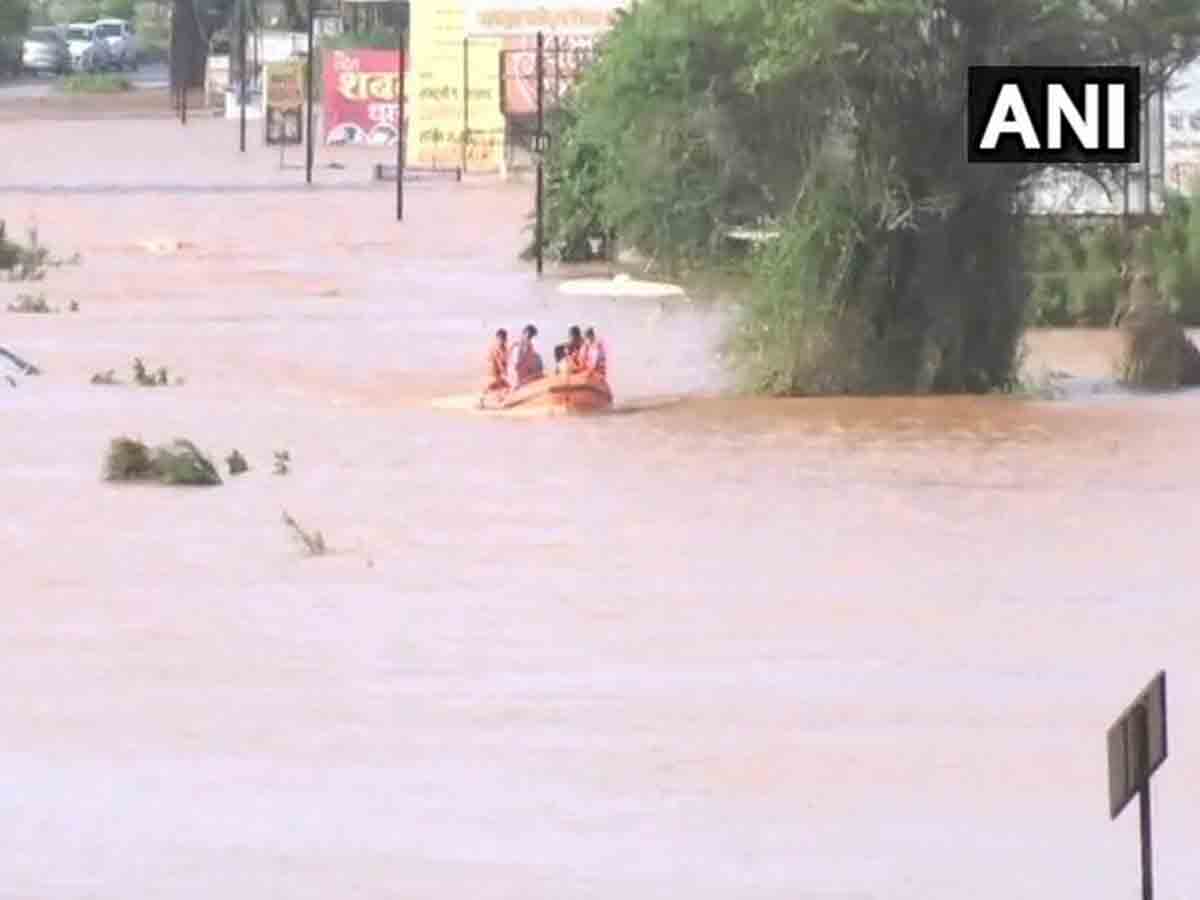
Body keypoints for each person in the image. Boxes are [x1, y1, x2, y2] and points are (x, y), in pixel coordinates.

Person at [483, 328, 511, 395]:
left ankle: (498, 397)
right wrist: (503, 370)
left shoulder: (504, 347)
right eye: (500, 338)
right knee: (498, 385)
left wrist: (505, 369)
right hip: (493, 371)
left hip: (497, 372)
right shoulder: (495, 347)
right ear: (497, 338)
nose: (502, 340)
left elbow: (505, 359)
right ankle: (483, 398)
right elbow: (497, 360)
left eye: (504, 338)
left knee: (504, 386)